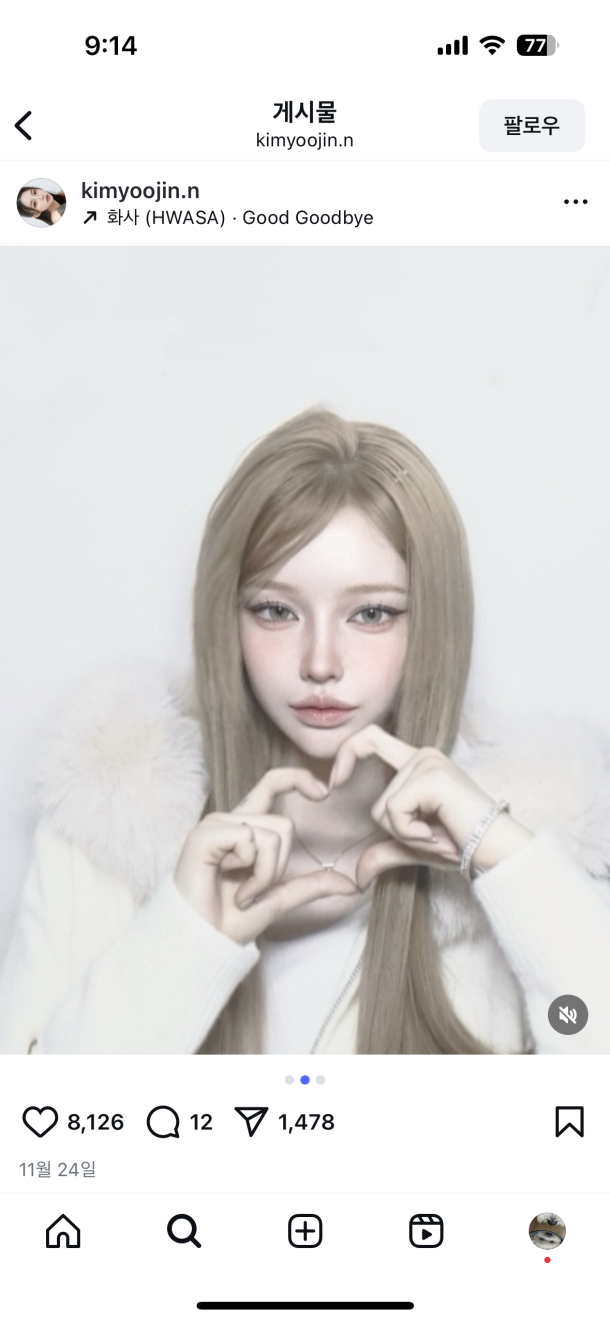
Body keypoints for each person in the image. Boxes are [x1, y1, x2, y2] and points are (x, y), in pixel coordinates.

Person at [1, 408, 610, 1054]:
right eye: (275, 610)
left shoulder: (539, 845)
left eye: (371, 613)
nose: (321, 662)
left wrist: (502, 856)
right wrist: (182, 939)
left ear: (433, 620)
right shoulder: (106, 822)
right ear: (226, 617)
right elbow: (40, 1115)